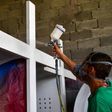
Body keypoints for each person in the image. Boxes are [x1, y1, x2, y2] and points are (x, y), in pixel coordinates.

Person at [53, 43, 112, 112]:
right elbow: (78, 72)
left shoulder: (98, 101)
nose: (82, 68)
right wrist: (60, 54)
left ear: (91, 70)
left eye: (85, 64)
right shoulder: (108, 86)